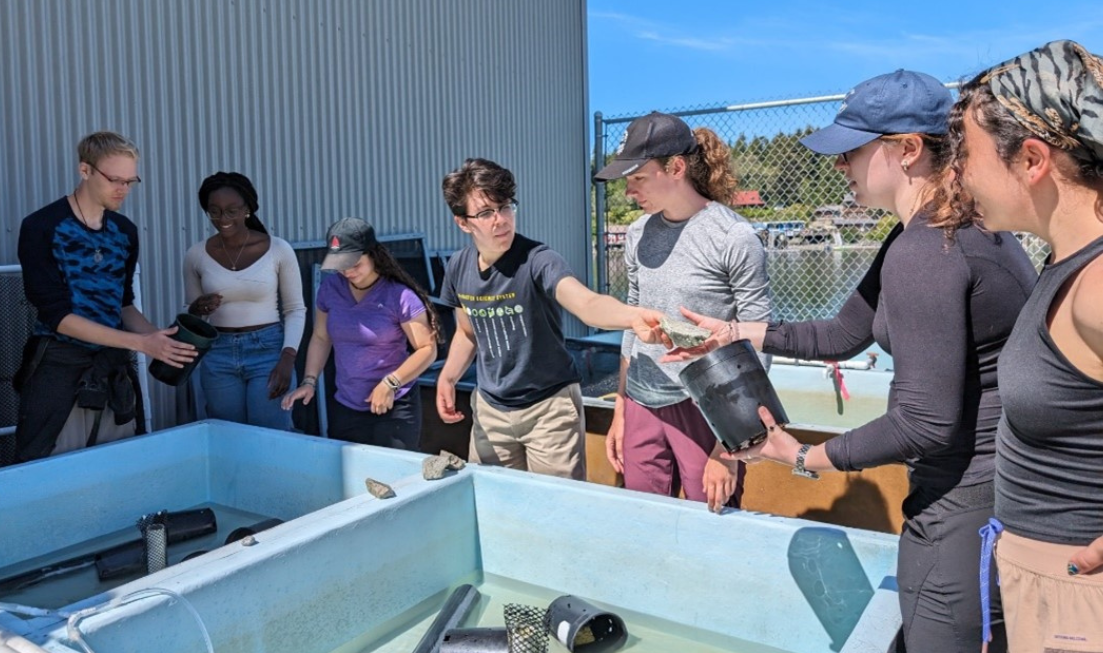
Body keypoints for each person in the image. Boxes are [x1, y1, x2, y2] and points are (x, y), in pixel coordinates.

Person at [664, 71, 1039, 653]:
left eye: (851, 152)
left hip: (964, 507)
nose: (840, 168)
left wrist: (801, 455)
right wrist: (733, 332)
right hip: (997, 495)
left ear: (907, 149)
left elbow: (923, 421)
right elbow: (844, 333)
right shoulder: (946, 227)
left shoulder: (927, 250)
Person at [948, 40, 1103, 653]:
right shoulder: (1064, 266)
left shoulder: (1094, 285)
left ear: (1032, 159)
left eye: (969, 152)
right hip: (1043, 585)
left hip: (1079, 599)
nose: (957, 173)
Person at [436, 158, 667, 480]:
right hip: (490, 408)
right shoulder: (458, 267)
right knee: (496, 506)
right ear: (463, 223)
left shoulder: (539, 260)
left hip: (549, 408)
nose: (500, 220)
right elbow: (467, 332)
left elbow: (585, 302)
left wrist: (633, 316)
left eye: (505, 207)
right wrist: (447, 378)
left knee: (557, 510)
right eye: (486, 213)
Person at [593, 112, 772, 512]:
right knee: (644, 520)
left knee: (713, 527)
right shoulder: (637, 233)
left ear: (675, 168)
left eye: (637, 177)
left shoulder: (734, 237)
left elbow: (758, 348)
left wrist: (728, 449)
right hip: (641, 401)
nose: (628, 191)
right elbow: (631, 326)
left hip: (708, 412)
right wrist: (621, 408)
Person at [12, 131, 197, 463]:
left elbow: (123, 303)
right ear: (85, 171)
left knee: (118, 468)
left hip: (112, 369)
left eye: (131, 181)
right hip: (58, 367)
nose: (123, 189)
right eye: (115, 179)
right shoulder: (42, 226)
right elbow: (57, 316)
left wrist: (160, 339)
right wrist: (141, 344)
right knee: (51, 472)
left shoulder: (124, 231)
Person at [281, 218, 438, 450]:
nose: (347, 271)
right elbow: (321, 337)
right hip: (347, 405)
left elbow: (427, 349)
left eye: (355, 263)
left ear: (373, 254)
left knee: (394, 477)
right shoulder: (330, 289)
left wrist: (391, 383)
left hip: (395, 405)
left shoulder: (399, 295)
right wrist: (309, 381)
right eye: (341, 264)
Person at [184, 172, 306, 431]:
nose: (222, 219)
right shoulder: (195, 255)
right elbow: (192, 317)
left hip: (268, 352)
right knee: (226, 436)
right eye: (214, 212)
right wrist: (196, 310)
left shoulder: (278, 249)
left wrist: (288, 358)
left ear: (247, 209)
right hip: (218, 353)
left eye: (231, 211)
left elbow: (295, 309)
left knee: (271, 435)